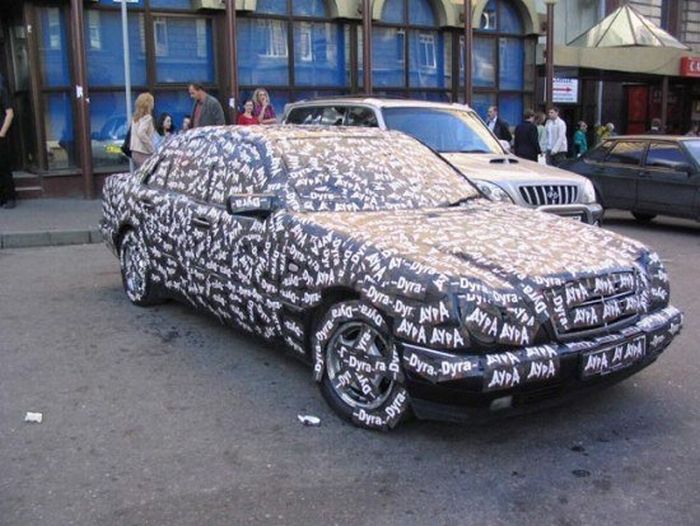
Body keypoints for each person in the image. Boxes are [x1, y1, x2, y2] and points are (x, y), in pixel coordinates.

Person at [0, 72, 16, 208]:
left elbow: (9, 114)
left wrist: (1, 133)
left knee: (4, 167)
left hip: (1, 136)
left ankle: (10, 197)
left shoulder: (2, 90)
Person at [130, 92, 156, 168]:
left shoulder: (136, 118)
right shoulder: (147, 118)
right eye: (152, 102)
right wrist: (151, 148)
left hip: (135, 151)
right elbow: (141, 133)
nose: (153, 104)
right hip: (143, 151)